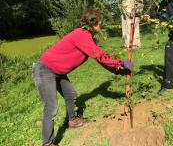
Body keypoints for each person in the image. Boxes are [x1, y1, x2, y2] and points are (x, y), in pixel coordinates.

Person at [32, 10, 133, 146]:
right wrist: (122, 63)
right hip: (45, 69)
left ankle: (73, 121)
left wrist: (117, 70)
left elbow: (99, 58)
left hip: (57, 70)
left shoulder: (87, 36)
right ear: (93, 23)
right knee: (51, 106)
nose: (101, 25)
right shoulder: (81, 34)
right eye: (100, 23)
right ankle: (47, 143)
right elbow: (100, 56)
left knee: (70, 94)